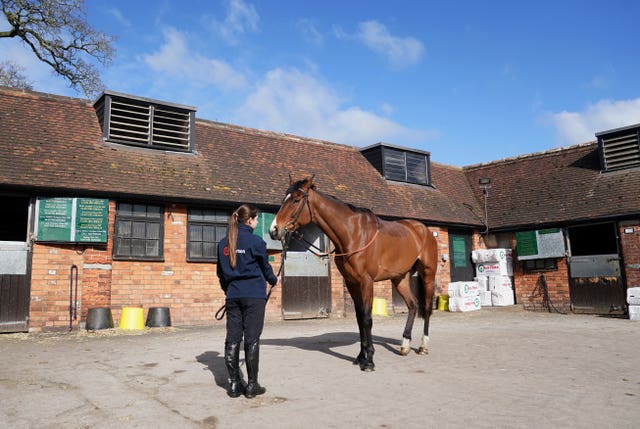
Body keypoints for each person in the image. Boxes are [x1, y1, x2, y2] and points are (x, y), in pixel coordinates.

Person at [216, 204, 278, 398]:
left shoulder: (223, 244)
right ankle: (252, 385)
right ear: (249, 220)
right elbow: (265, 268)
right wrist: (273, 280)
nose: (258, 222)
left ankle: (234, 384)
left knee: (232, 338)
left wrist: (230, 290)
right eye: (257, 219)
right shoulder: (256, 242)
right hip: (254, 296)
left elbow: (220, 273)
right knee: (251, 339)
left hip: (233, 296)